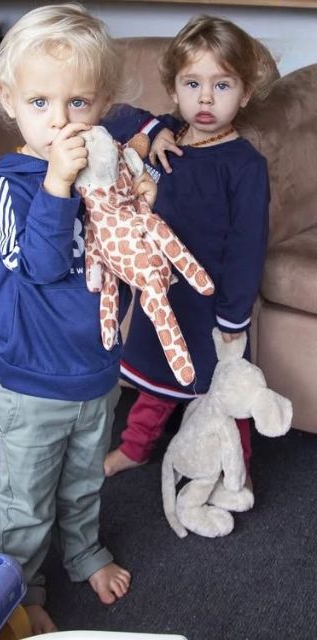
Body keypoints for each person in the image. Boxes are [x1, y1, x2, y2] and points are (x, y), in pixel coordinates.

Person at [0, 3, 161, 633]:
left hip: (95, 367)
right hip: (29, 376)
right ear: (9, 100)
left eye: (78, 103)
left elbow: (131, 249)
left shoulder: (105, 166)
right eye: (40, 103)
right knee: (25, 497)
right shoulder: (3, 188)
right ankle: (19, 589)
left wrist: (143, 197)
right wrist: (56, 185)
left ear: (101, 104)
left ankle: (82, 551)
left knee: (83, 479)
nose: (60, 121)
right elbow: (40, 267)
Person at [104, 15, 273, 478]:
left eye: (222, 85)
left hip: (211, 301)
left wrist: (233, 316)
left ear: (245, 93)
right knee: (157, 377)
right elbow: (109, 117)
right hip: (163, 290)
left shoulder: (245, 165)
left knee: (225, 386)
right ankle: (136, 447)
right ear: (173, 89)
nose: (205, 98)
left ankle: (236, 468)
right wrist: (150, 128)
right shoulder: (166, 134)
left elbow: (247, 247)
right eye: (192, 83)